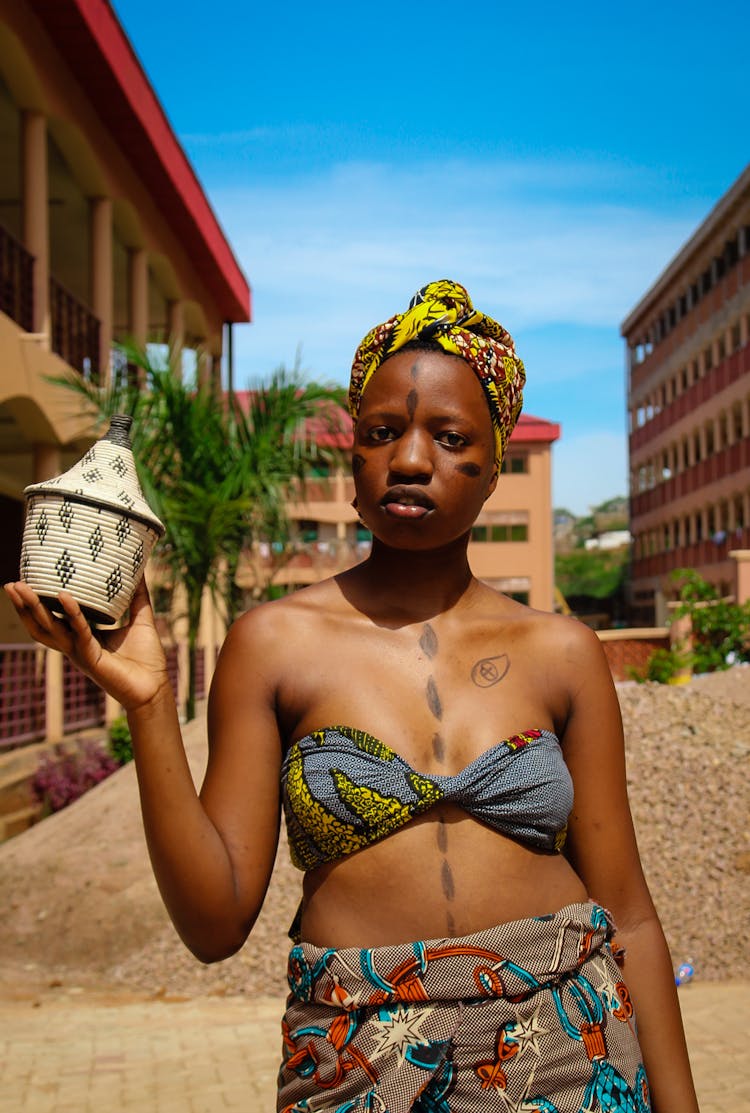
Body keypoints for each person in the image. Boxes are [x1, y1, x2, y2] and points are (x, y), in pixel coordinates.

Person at [5, 280, 698, 1112]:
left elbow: (632, 915)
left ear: (493, 473)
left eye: (449, 437)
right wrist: (150, 704)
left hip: (566, 1043)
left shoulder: (564, 653)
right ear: (353, 466)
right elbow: (214, 923)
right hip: (356, 1056)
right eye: (382, 433)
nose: (410, 458)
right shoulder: (274, 643)